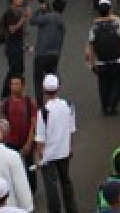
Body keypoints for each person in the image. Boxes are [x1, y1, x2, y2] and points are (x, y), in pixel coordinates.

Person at [35, 74, 78, 213]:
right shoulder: (69, 106)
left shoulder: (43, 112)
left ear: (43, 90)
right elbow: (71, 129)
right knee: (66, 182)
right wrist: (70, 147)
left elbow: (40, 139)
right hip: (64, 152)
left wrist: (40, 156)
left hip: (49, 156)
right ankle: (72, 209)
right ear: (58, 87)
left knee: (51, 187)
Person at [86, 0, 120, 115]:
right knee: (116, 82)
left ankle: (105, 106)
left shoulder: (94, 27)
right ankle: (112, 105)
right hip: (116, 59)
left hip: (101, 61)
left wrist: (92, 63)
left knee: (103, 84)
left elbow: (91, 45)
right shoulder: (116, 23)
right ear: (110, 9)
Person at [0, 76, 38, 194]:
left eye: (16, 84)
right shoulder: (7, 103)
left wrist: (29, 142)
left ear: (23, 86)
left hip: (26, 141)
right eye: (12, 84)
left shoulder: (29, 102)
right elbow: (5, 121)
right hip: (11, 142)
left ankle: (31, 191)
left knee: (29, 168)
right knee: (12, 168)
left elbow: (33, 123)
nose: (13, 87)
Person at [30, 0, 67, 102]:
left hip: (41, 54)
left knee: (38, 79)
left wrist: (39, 9)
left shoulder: (47, 17)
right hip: (54, 55)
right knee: (51, 77)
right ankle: (53, 97)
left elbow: (32, 21)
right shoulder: (62, 22)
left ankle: (40, 102)